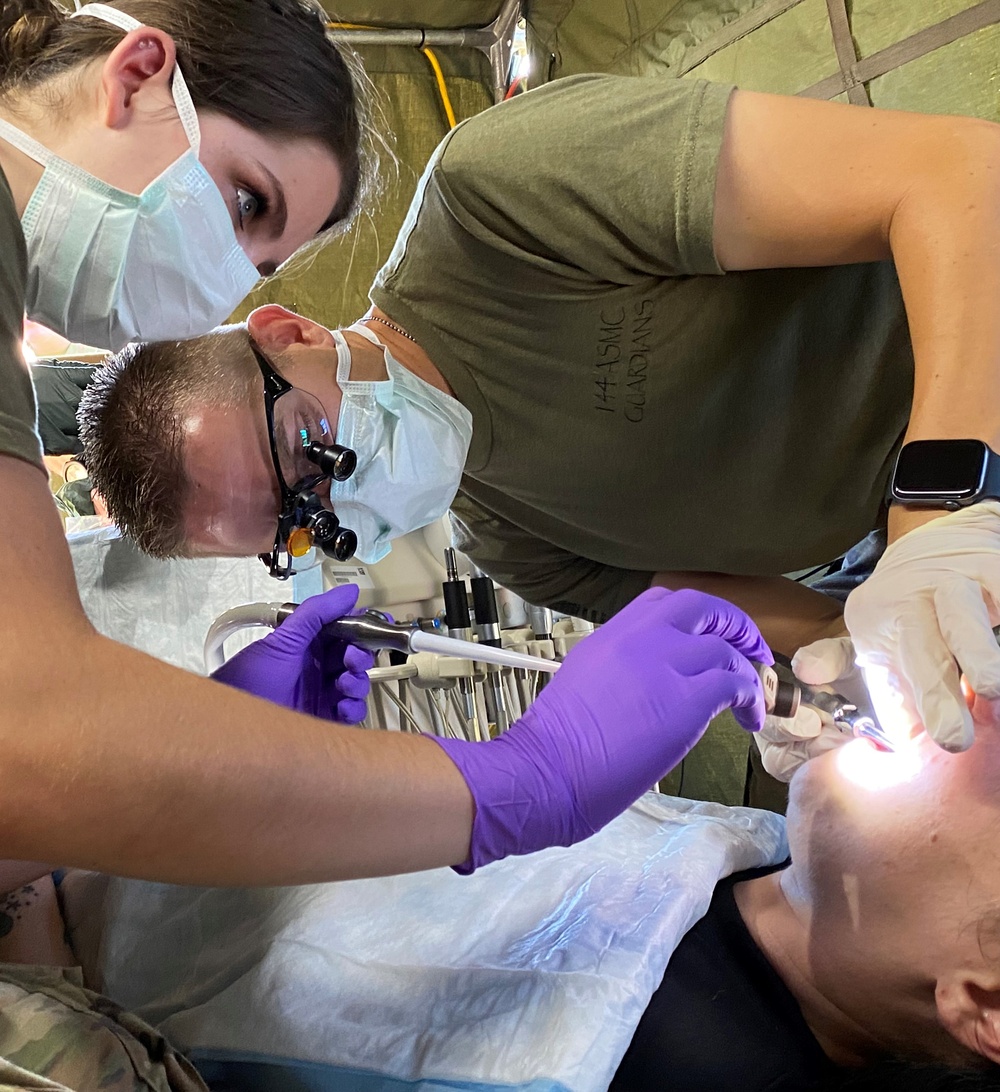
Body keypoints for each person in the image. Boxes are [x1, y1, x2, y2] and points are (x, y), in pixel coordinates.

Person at [0, 1, 765, 897]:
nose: (205, 288)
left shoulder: (500, 205)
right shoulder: (515, 540)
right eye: (249, 199)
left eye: (252, 233)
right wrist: (510, 784)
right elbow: (31, 746)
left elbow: (26, 748)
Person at [81, 73, 1000, 758]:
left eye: (303, 451)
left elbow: (958, 174)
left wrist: (938, 518)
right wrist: (842, 668)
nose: (337, 506)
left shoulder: (495, 206)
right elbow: (753, 612)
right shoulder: (515, 544)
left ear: (288, 332)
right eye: (297, 524)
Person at [27, 696, 1000, 1091]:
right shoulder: (762, 865)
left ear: (982, 1004)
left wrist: (33, 922)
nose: (982, 709)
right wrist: (283, 772)